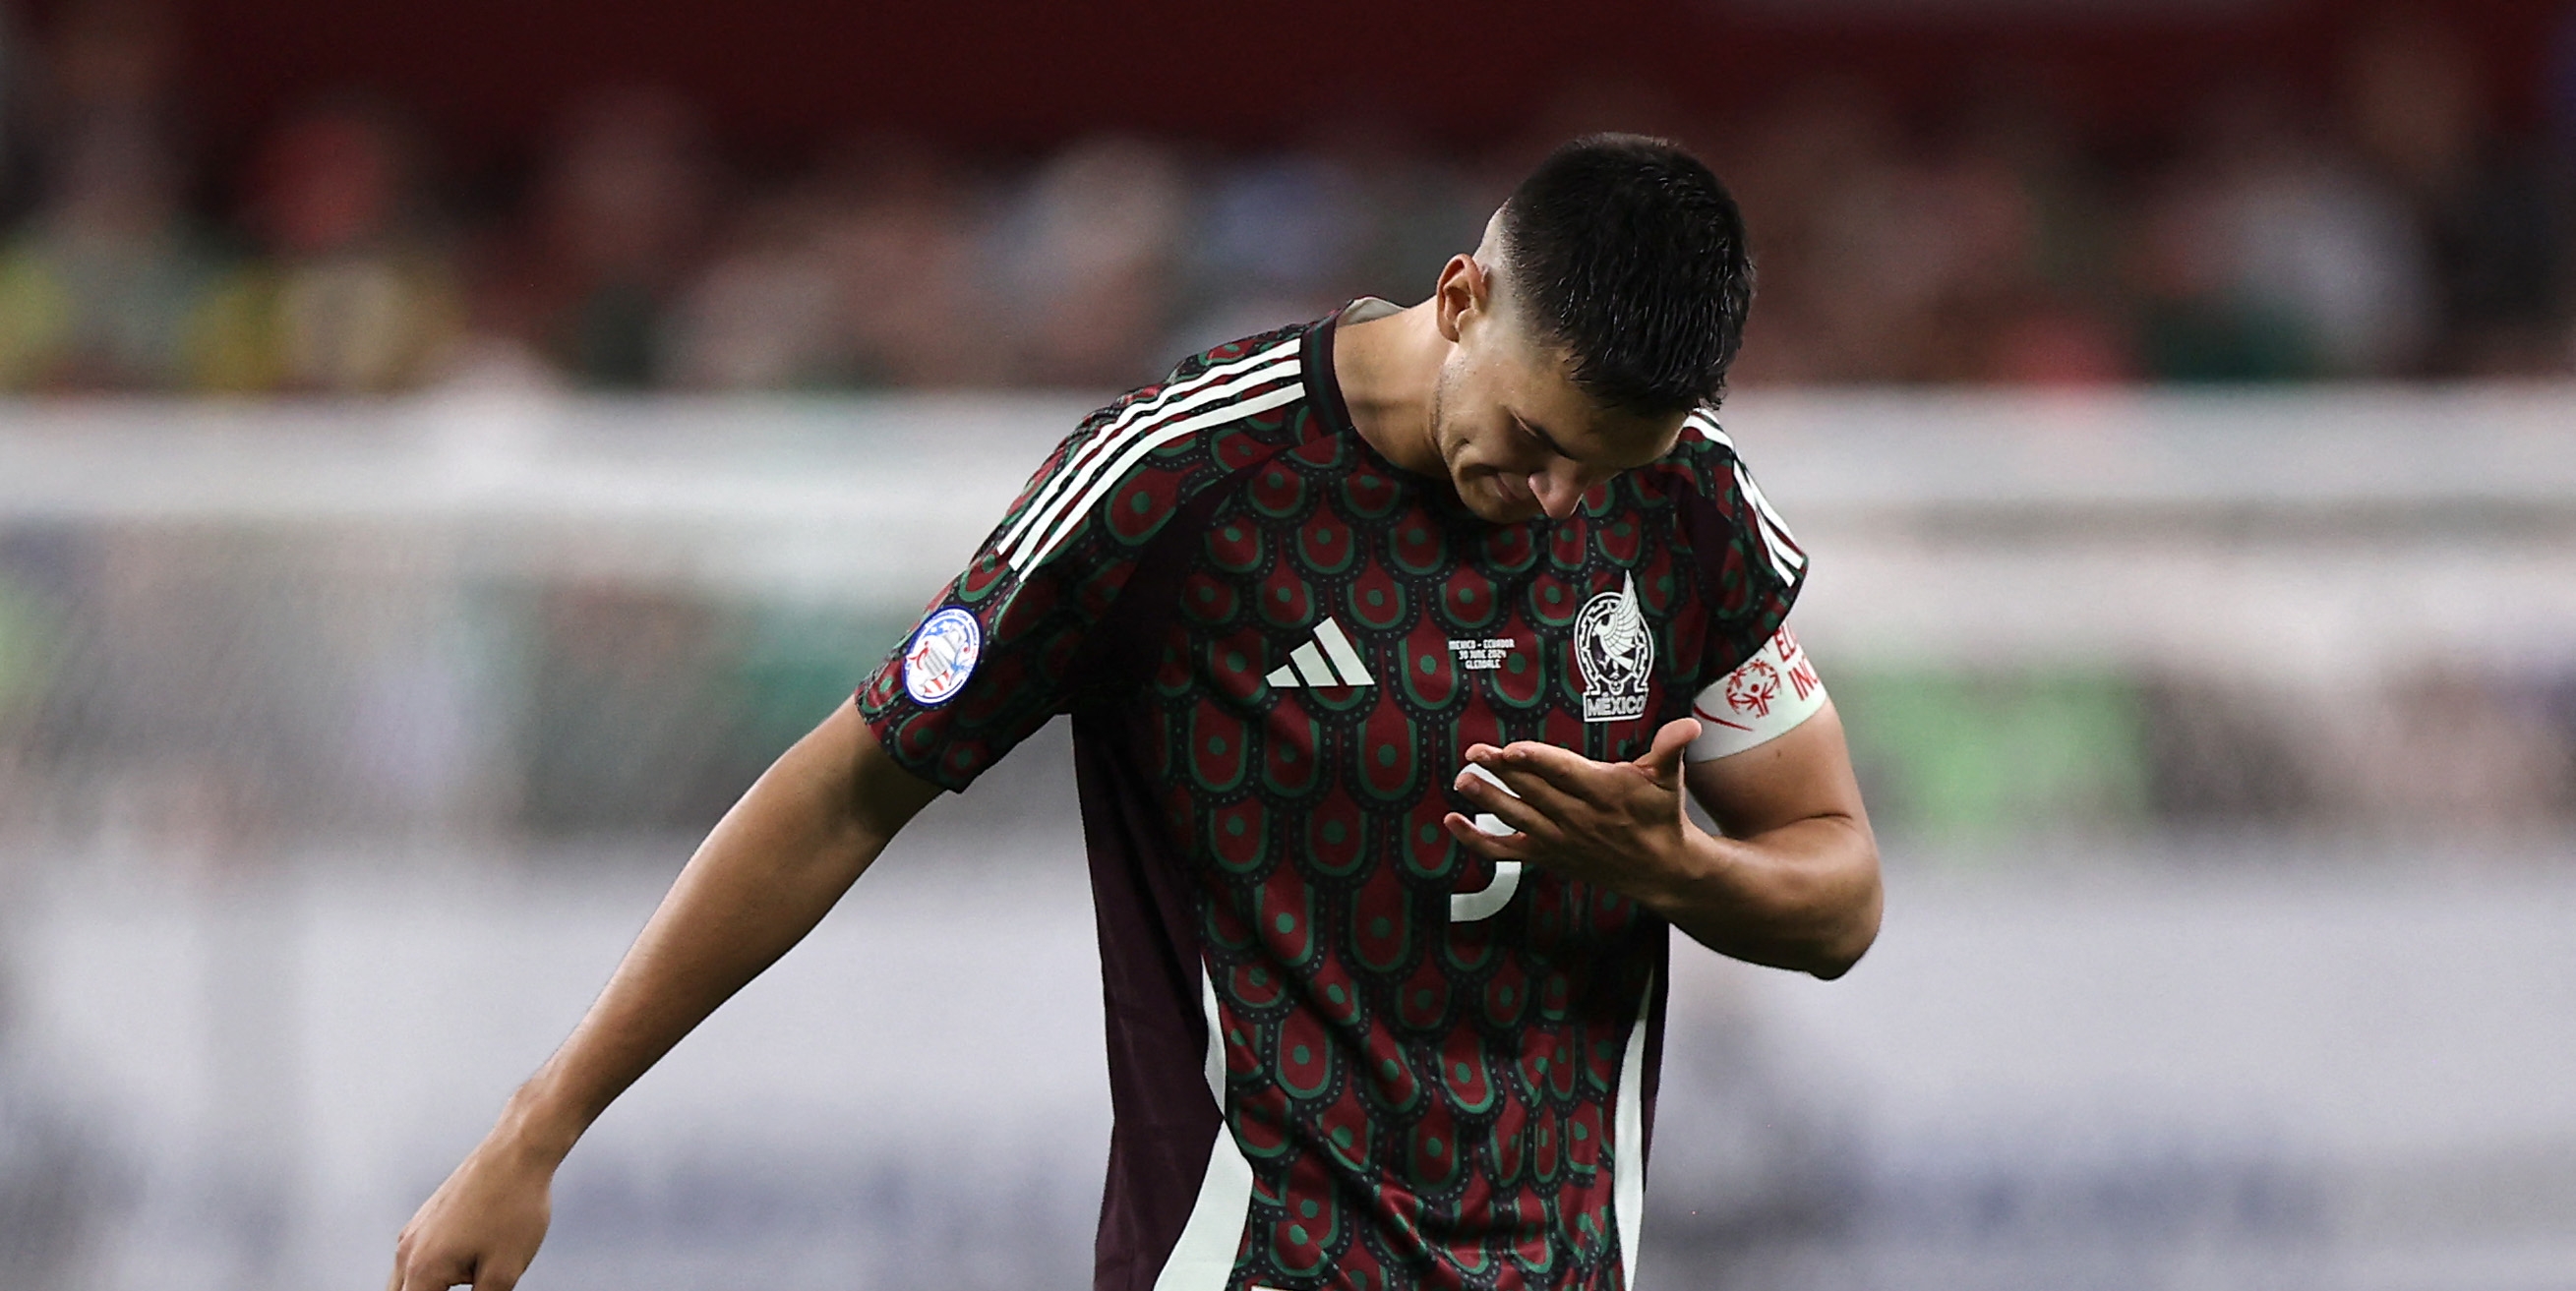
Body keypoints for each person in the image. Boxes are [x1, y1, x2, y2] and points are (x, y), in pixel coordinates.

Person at [388, 133, 1881, 1291]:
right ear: (1460, 297)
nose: (1561, 498)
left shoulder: (1687, 505)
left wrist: (1681, 871)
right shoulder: (1181, 484)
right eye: (1538, 440)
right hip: (1253, 1259)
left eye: (1602, 470)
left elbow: (1838, 887)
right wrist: (541, 1126)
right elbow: (847, 787)